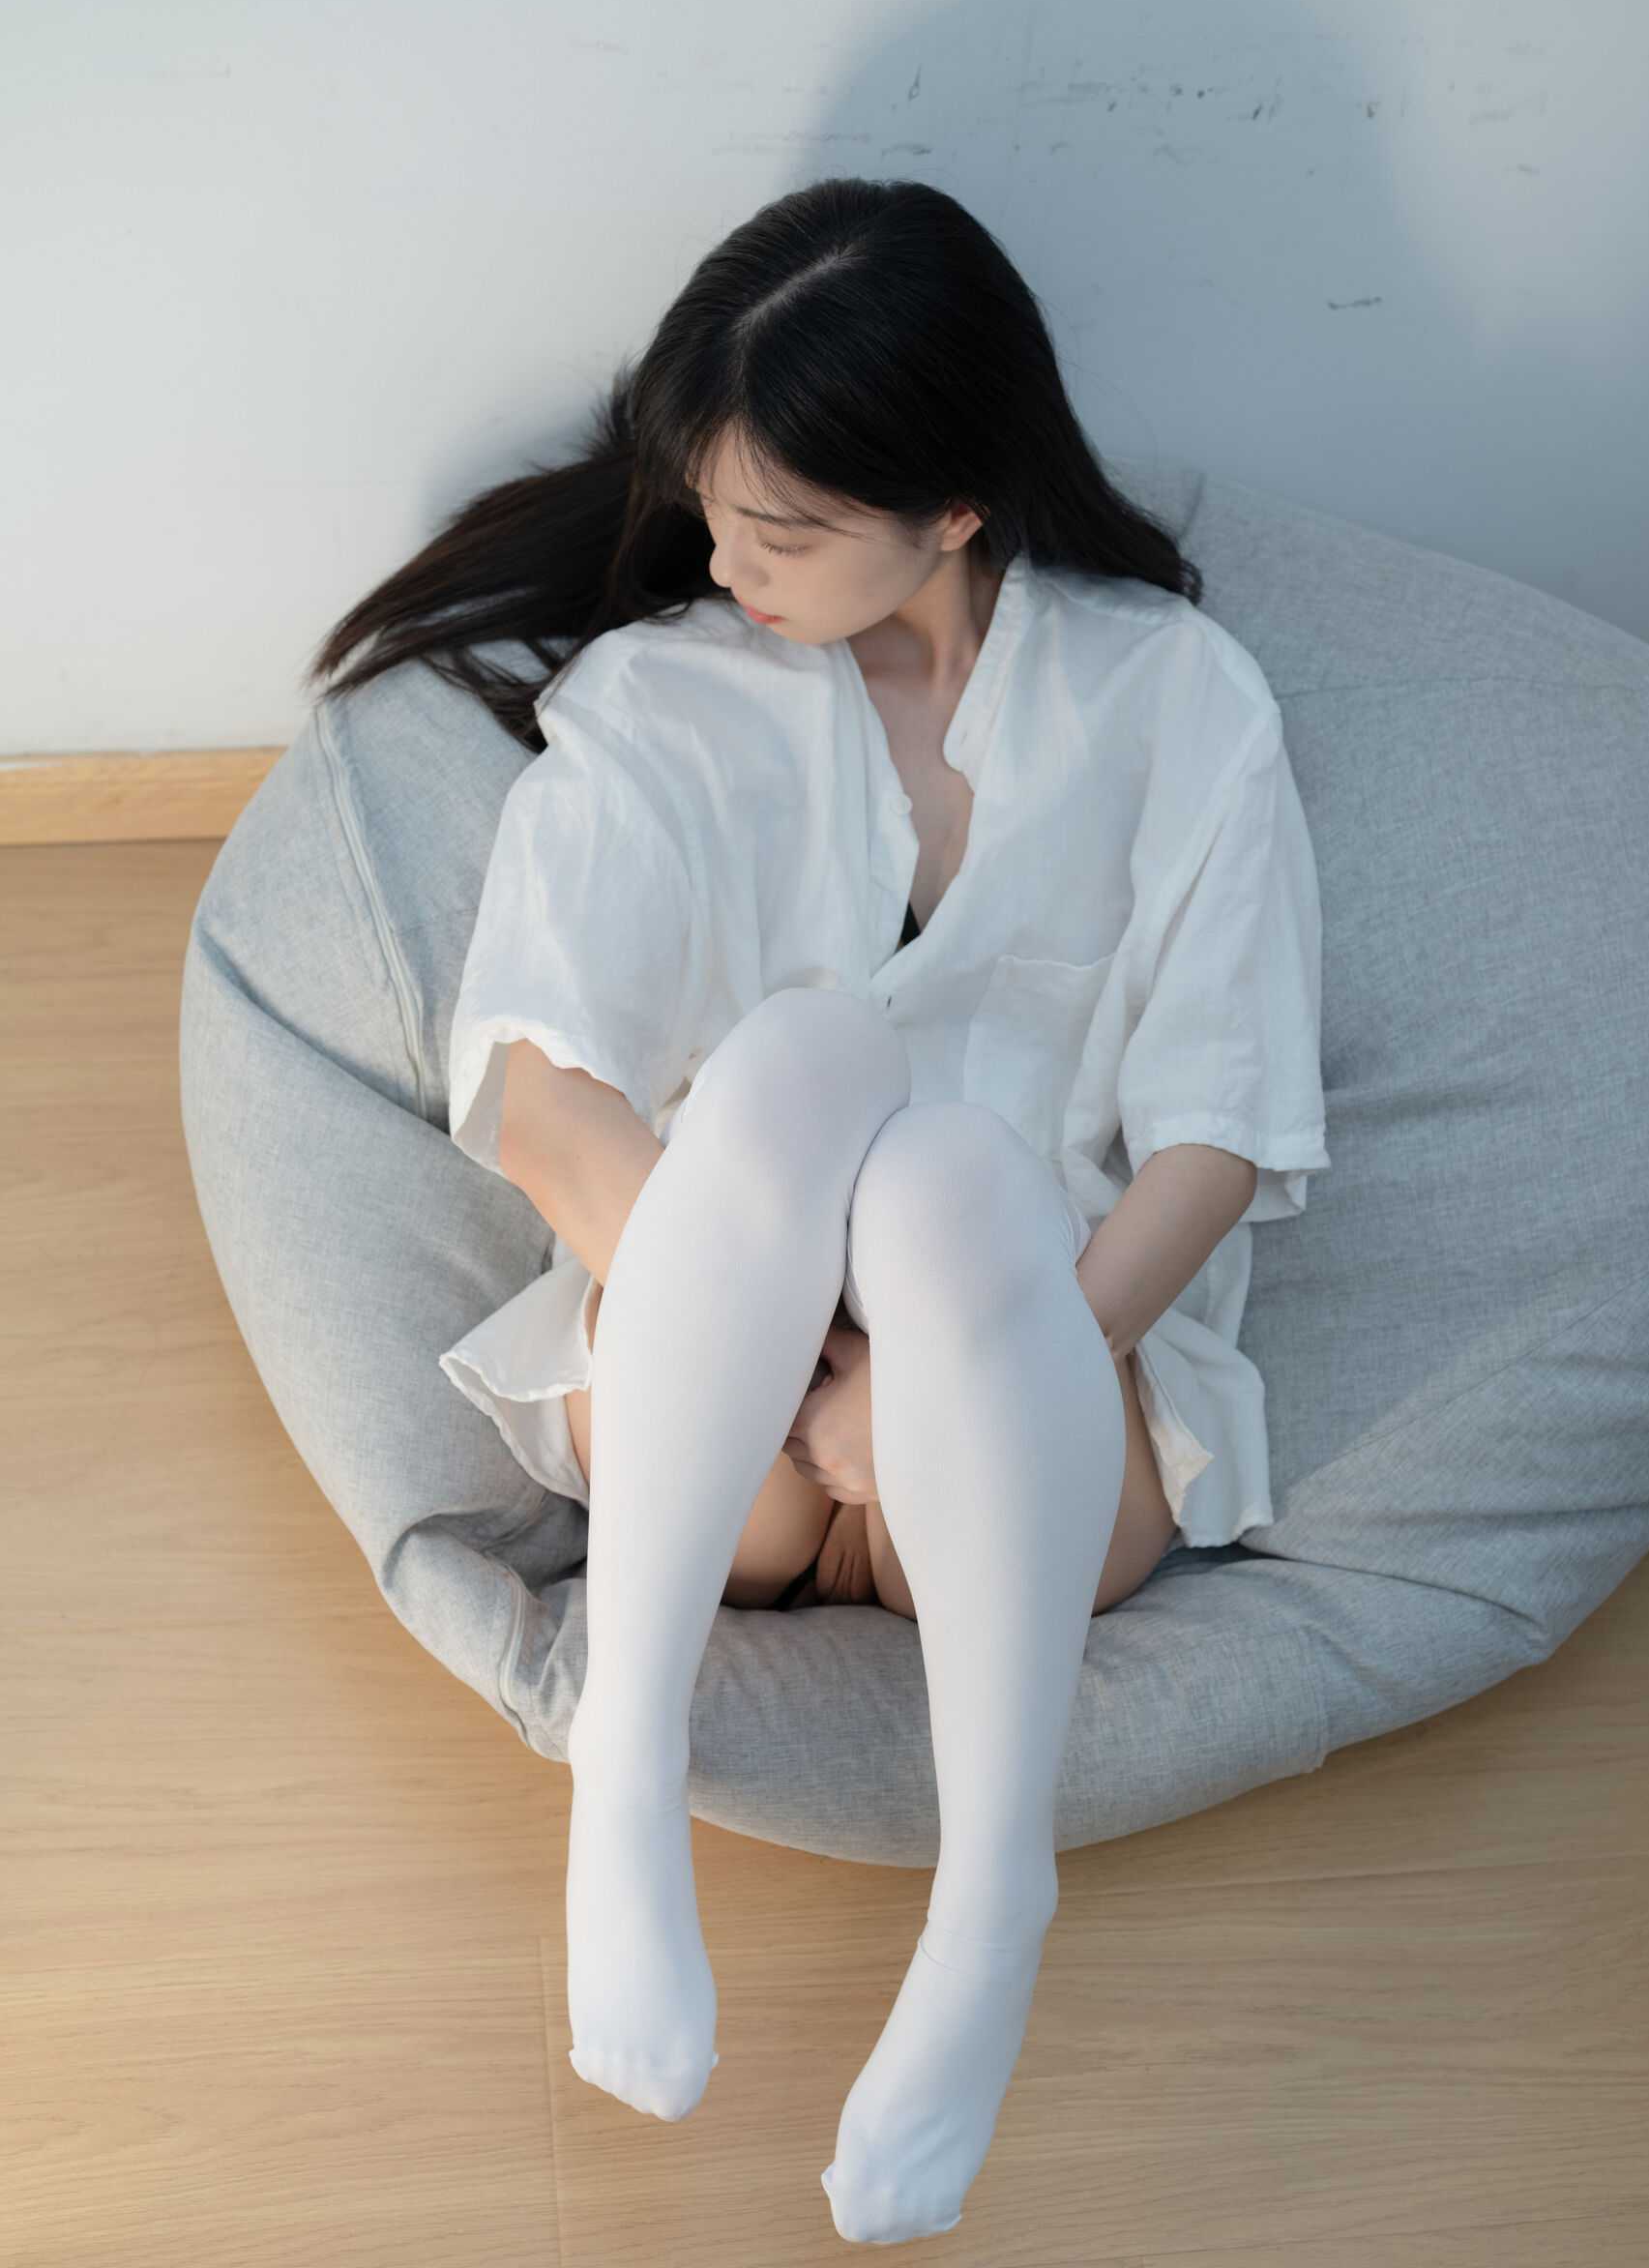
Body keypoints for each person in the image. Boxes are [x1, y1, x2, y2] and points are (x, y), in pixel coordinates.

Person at [306, 176, 1329, 2249]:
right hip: (727, 1436)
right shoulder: (669, 699)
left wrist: (975, 1379)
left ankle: (989, 1901)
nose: (724, 566)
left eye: (777, 531)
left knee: (955, 1176)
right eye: (713, 514)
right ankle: (627, 1771)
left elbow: (1220, 1129)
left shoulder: (1178, 702)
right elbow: (539, 1091)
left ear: (953, 506)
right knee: (802, 1059)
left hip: (1040, 1432)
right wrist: (777, 1359)